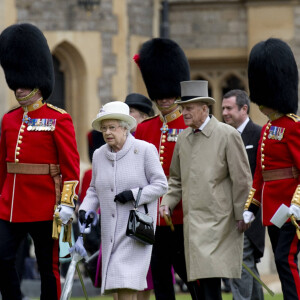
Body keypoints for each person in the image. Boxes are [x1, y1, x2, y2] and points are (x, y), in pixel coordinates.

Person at [0, 23, 80, 300]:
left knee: (49, 268)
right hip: (11, 206)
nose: (18, 90)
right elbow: (3, 166)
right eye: (15, 84)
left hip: (47, 205)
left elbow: (70, 166)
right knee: (2, 258)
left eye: (23, 84)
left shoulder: (59, 118)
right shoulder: (9, 119)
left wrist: (67, 203)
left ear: (36, 81)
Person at [160, 80, 252, 300]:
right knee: (200, 288)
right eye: (183, 108)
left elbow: (242, 179)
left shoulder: (227, 135)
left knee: (210, 285)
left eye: (189, 108)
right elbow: (175, 179)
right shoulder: (183, 138)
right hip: (192, 226)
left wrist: (242, 214)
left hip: (218, 223)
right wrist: (167, 202)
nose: (184, 113)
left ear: (204, 108)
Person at [78, 101, 168, 300]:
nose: (107, 132)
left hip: (135, 230)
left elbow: (161, 185)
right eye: (104, 128)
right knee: (117, 290)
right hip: (109, 231)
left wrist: (135, 194)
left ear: (125, 127)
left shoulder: (145, 150)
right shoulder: (100, 155)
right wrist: (86, 209)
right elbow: (93, 189)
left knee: (125, 282)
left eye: (112, 127)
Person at [134, 38, 201, 299]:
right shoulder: (144, 128)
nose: (163, 99)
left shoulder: (190, 126)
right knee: (161, 281)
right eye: (159, 95)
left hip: (184, 216)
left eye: (169, 94)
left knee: (193, 279)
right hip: (152, 218)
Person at [243, 38, 300, 299]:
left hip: (290, 210)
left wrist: (296, 204)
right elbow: (260, 175)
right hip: (272, 210)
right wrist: (250, 209)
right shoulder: (267, 129)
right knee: (281, 262)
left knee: (285, 260)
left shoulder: (294, 126)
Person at [222, 89, 265, 300]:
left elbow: (259, 177)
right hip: (227, 213)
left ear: (244, 109)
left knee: (239, 264)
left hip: (251, 214)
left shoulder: (259, 134)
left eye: (229, 108)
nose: (224, 113)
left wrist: (248, 211)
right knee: (245, 265)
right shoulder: (224, 135)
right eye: (223, 108)